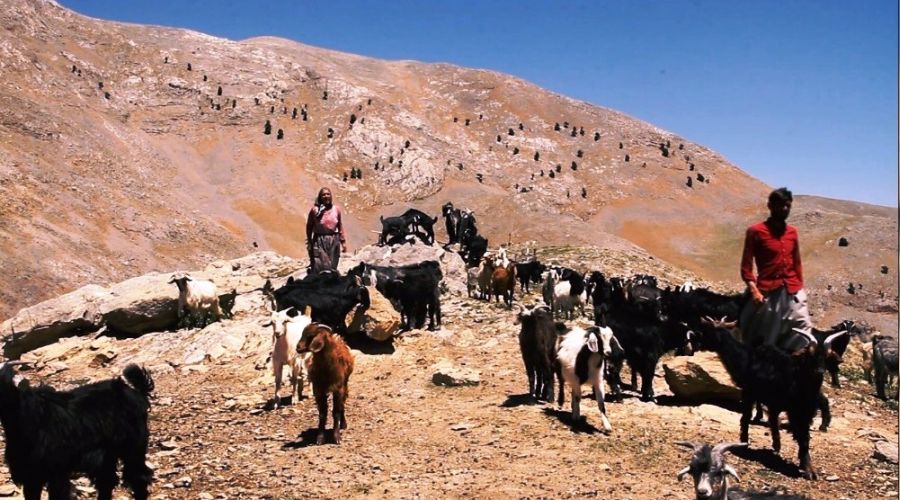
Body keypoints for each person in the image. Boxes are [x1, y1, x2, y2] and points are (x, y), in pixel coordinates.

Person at [738, 187, 812, 351]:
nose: (784, 209)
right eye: (780, 205)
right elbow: (746, 266)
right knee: (769, 336)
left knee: (803, 328)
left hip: (793, 290)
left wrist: (800, 288)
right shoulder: (756, 231)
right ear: (770, 206)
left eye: (787, 205)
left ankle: (795, 366)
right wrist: (754, 290)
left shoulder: (792, 232)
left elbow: (797, 263)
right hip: (769, 290)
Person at [306, 187, 348, 274]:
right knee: (320, 266)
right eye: (323, 194)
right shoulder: (315, 210)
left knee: (332, 266)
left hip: (333, 240)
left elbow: (339, 225)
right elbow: (309, 226)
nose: (326, 196)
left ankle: (330, 284)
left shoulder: (336, 209)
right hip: (319, 240)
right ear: (320, 197)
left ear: (331, 196)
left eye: (328, 194)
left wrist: (343, 242)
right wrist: (309, 241)